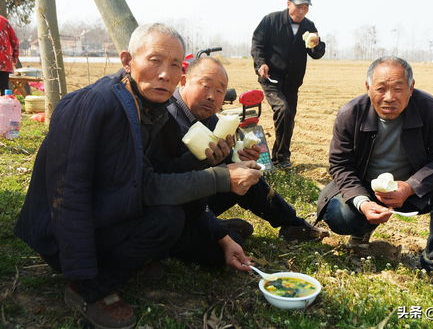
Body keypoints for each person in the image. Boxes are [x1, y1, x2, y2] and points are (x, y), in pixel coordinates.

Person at [14, 24, 262, 329]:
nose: (165, 74)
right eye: (155, 60)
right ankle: (88, 290)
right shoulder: (95, 104)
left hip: (107, 208)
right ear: (128, 60)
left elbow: (151, 176)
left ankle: (162, 248)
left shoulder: (149, 109)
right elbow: (69, 197)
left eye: (174, 65)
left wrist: (206, 162)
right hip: (61, 233)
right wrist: (80, 273)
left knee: (178, 222)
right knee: (166, 220)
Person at [317, 56, 433, 292]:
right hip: (366, 188)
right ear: (368, 88)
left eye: (398, 89)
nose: (389, 97)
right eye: (381, 89)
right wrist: (362, 202)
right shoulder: (350, 114)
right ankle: (361, 230)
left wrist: (410, 186)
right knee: (339, 215)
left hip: (413, 189)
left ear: (411, 88)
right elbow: (340, 164)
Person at [165, 57, 329, 242]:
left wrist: (238, 156)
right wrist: (209, 164)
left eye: (220, 90)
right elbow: (164, 179)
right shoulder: (165, 118)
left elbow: (225, 163)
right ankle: (216, 228)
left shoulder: (212, 120)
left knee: (246, 171)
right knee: (229, 243)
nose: (212, 96)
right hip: (172, 206)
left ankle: (292, 224)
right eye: (205, 86)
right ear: (184, 81)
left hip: (203, 196)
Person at [251, 0, 325, 169]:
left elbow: (316, 54)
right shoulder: (271, 20)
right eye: (299, 7)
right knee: (283, 109)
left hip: (292, 81)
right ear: (288, 4)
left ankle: (280, 158)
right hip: (271, 77)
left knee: (288, 117)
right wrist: (261, 63)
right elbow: (257, 44)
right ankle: (282, 157)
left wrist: (317, 44)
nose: (302, 11)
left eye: (306, 7)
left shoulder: (309, 26)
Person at [0, 15, 19, 95]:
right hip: (4, 62)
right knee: (4, 87)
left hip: (4, 61)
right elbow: (14, 40)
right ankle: (5, 107)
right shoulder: (3, 21)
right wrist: (15, 56)